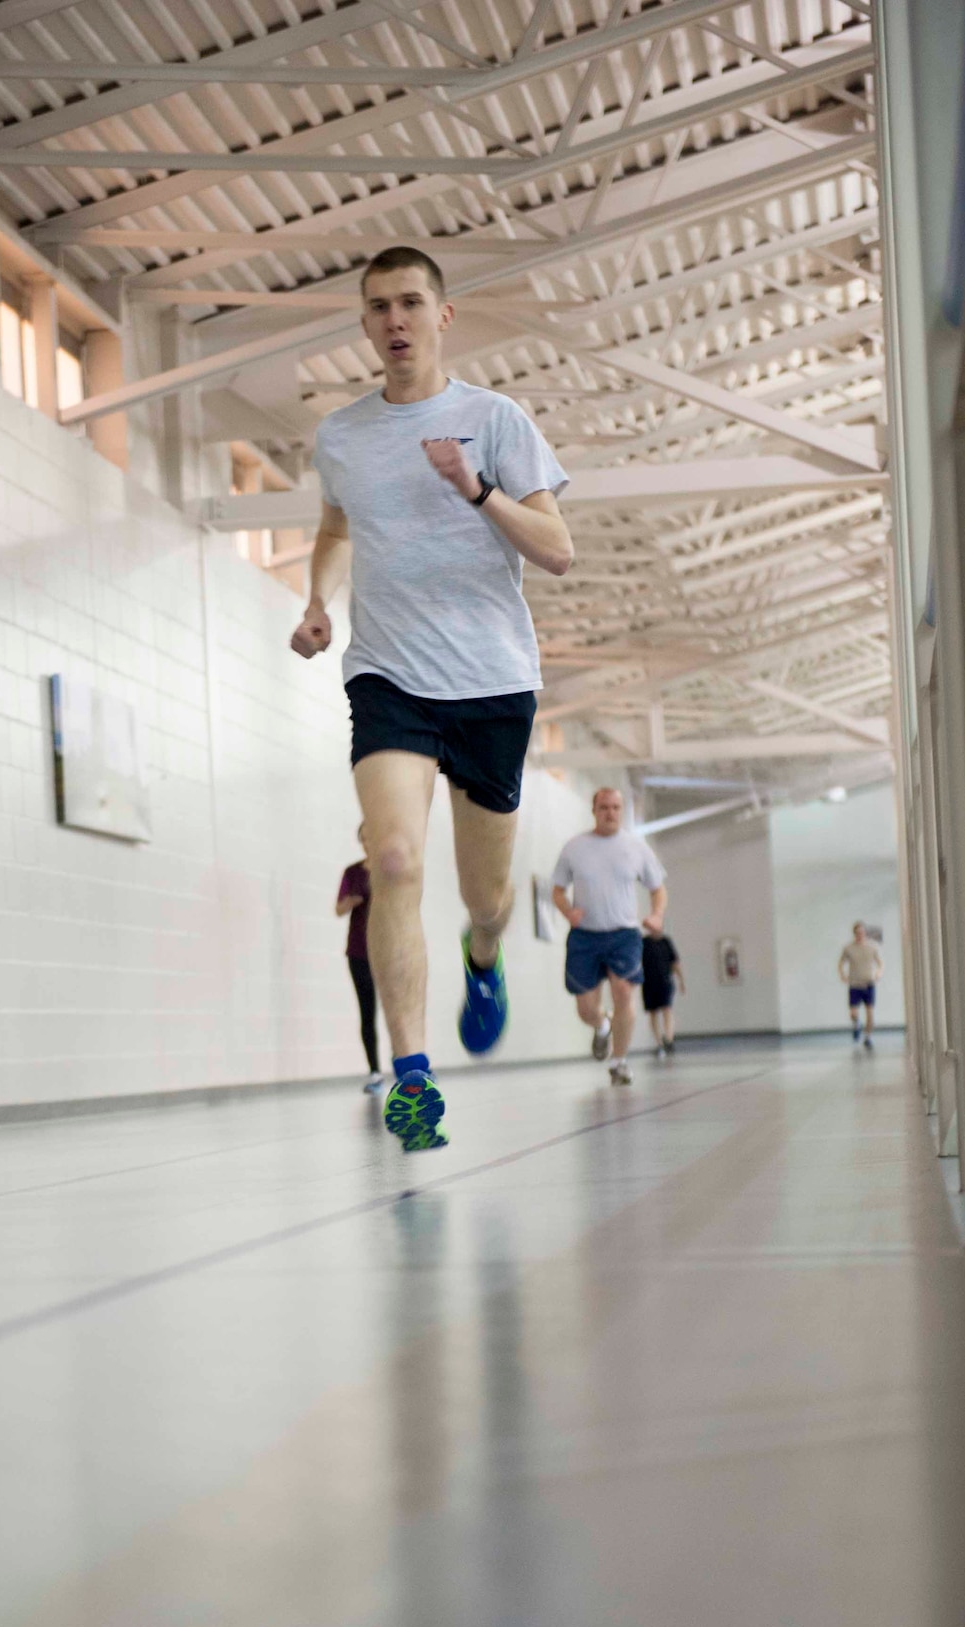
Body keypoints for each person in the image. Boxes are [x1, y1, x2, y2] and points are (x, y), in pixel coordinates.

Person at [290, 245, 572, 1151]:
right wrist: (315, 601)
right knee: (396, 861)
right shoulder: (340, 436)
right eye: (377, 307)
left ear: (443, 315)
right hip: (387, 674)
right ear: (365, 324)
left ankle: (481, 955)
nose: (395, 321)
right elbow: (336, 527)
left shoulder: (494, 420)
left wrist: (476, 488)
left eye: (411, 302)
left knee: (485, 896)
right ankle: (412, 1080)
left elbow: (558, 549)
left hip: (491, 683)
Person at [551, 789, 667, 1086]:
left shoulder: (636, 847)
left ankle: (619, 1062)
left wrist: (656, 915)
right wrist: (567, 911)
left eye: (616, 807)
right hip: (584, 936)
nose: (610, 813)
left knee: (624, 992)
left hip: (624, 934)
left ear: (621, 811)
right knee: (585, 1008)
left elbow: (658, 888)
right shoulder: (574, 848)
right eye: (604, 807)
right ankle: (602, 1024)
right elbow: (557, 890)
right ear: (594, 810)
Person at [336, 829, 384, 1092]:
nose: (369, 841)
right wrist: (354, 900)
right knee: (368, 1012)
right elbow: (338, 908)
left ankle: (408, 1068)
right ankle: (375, 1072)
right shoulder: (352, 873)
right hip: (358, 953)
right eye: (365, 837)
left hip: (387, 951)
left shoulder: (388, 870)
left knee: (396, 1011)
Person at [839, 921, 883, 1050]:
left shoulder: (872, 947)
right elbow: (841, 963)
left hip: (868, 983)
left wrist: (878, 973)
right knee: (853, 1012)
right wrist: (842, 974)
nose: (860, 935)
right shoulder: (849, 948)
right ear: (854, 934)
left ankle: (867, 1037)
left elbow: (880, 963)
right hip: (855, 983)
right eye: (858, 933)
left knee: (870, 1012)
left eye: (862, 932)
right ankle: (856, 1025)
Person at [642, 924, 685, 1056]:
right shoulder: (644, 943)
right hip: (649, 982)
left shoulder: (666, 942)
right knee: (653, 1012)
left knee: (667, 1009)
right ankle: (658, 1042)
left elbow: (675, 962)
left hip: (665, 981)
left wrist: (681, 980)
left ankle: (669, 1038)